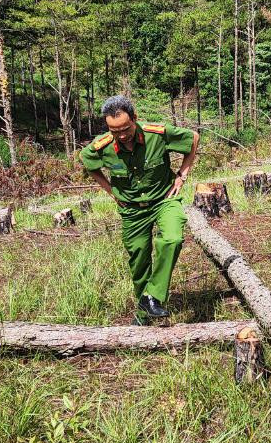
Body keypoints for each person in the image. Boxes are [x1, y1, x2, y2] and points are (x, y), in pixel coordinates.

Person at [79, 96, 199, 325]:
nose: (121, 135)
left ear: (135, 119)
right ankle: (145, 314)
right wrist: (110, 191)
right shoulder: (102, 146)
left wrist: (182, 176)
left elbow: (192, 138)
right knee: (139, 258)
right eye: (115, 131)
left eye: (125, 128)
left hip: (164, 200)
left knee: (172, 239)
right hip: (132, 210)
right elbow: (87, 161)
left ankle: (153, 296)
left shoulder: (157, 134)